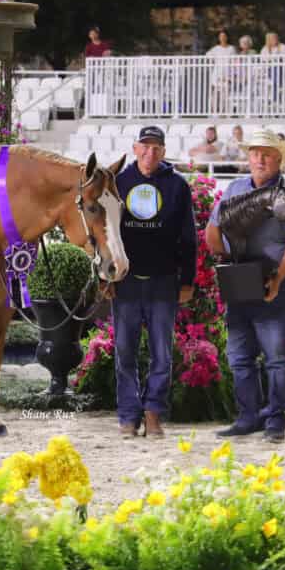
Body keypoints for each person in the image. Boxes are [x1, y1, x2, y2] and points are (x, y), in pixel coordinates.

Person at [207, 130, 285, 444]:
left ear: (279, 159)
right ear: (248, 157)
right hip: (240, 281)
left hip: (272, 284)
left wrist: (278, 279)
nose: (260, 159)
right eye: (255, 153)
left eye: (266, 153)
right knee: (239, 356)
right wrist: (223, 259)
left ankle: (276, 420)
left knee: (277, 357)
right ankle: (248, 416)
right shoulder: (235, 188)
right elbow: (213, 230)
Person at [112, 125, 196, 438]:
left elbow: (188, 237)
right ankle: (128, 416)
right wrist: (106, 277)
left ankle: (152, 413)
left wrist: (186, 280)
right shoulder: (119, 183)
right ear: (135, 148)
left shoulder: (177, 186)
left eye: (156, 148)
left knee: (162, 352)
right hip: (126, 281)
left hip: (163, 280)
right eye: (144, 147)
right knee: (125, 351)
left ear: (163, 151)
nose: (150, 153)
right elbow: (105, 233)